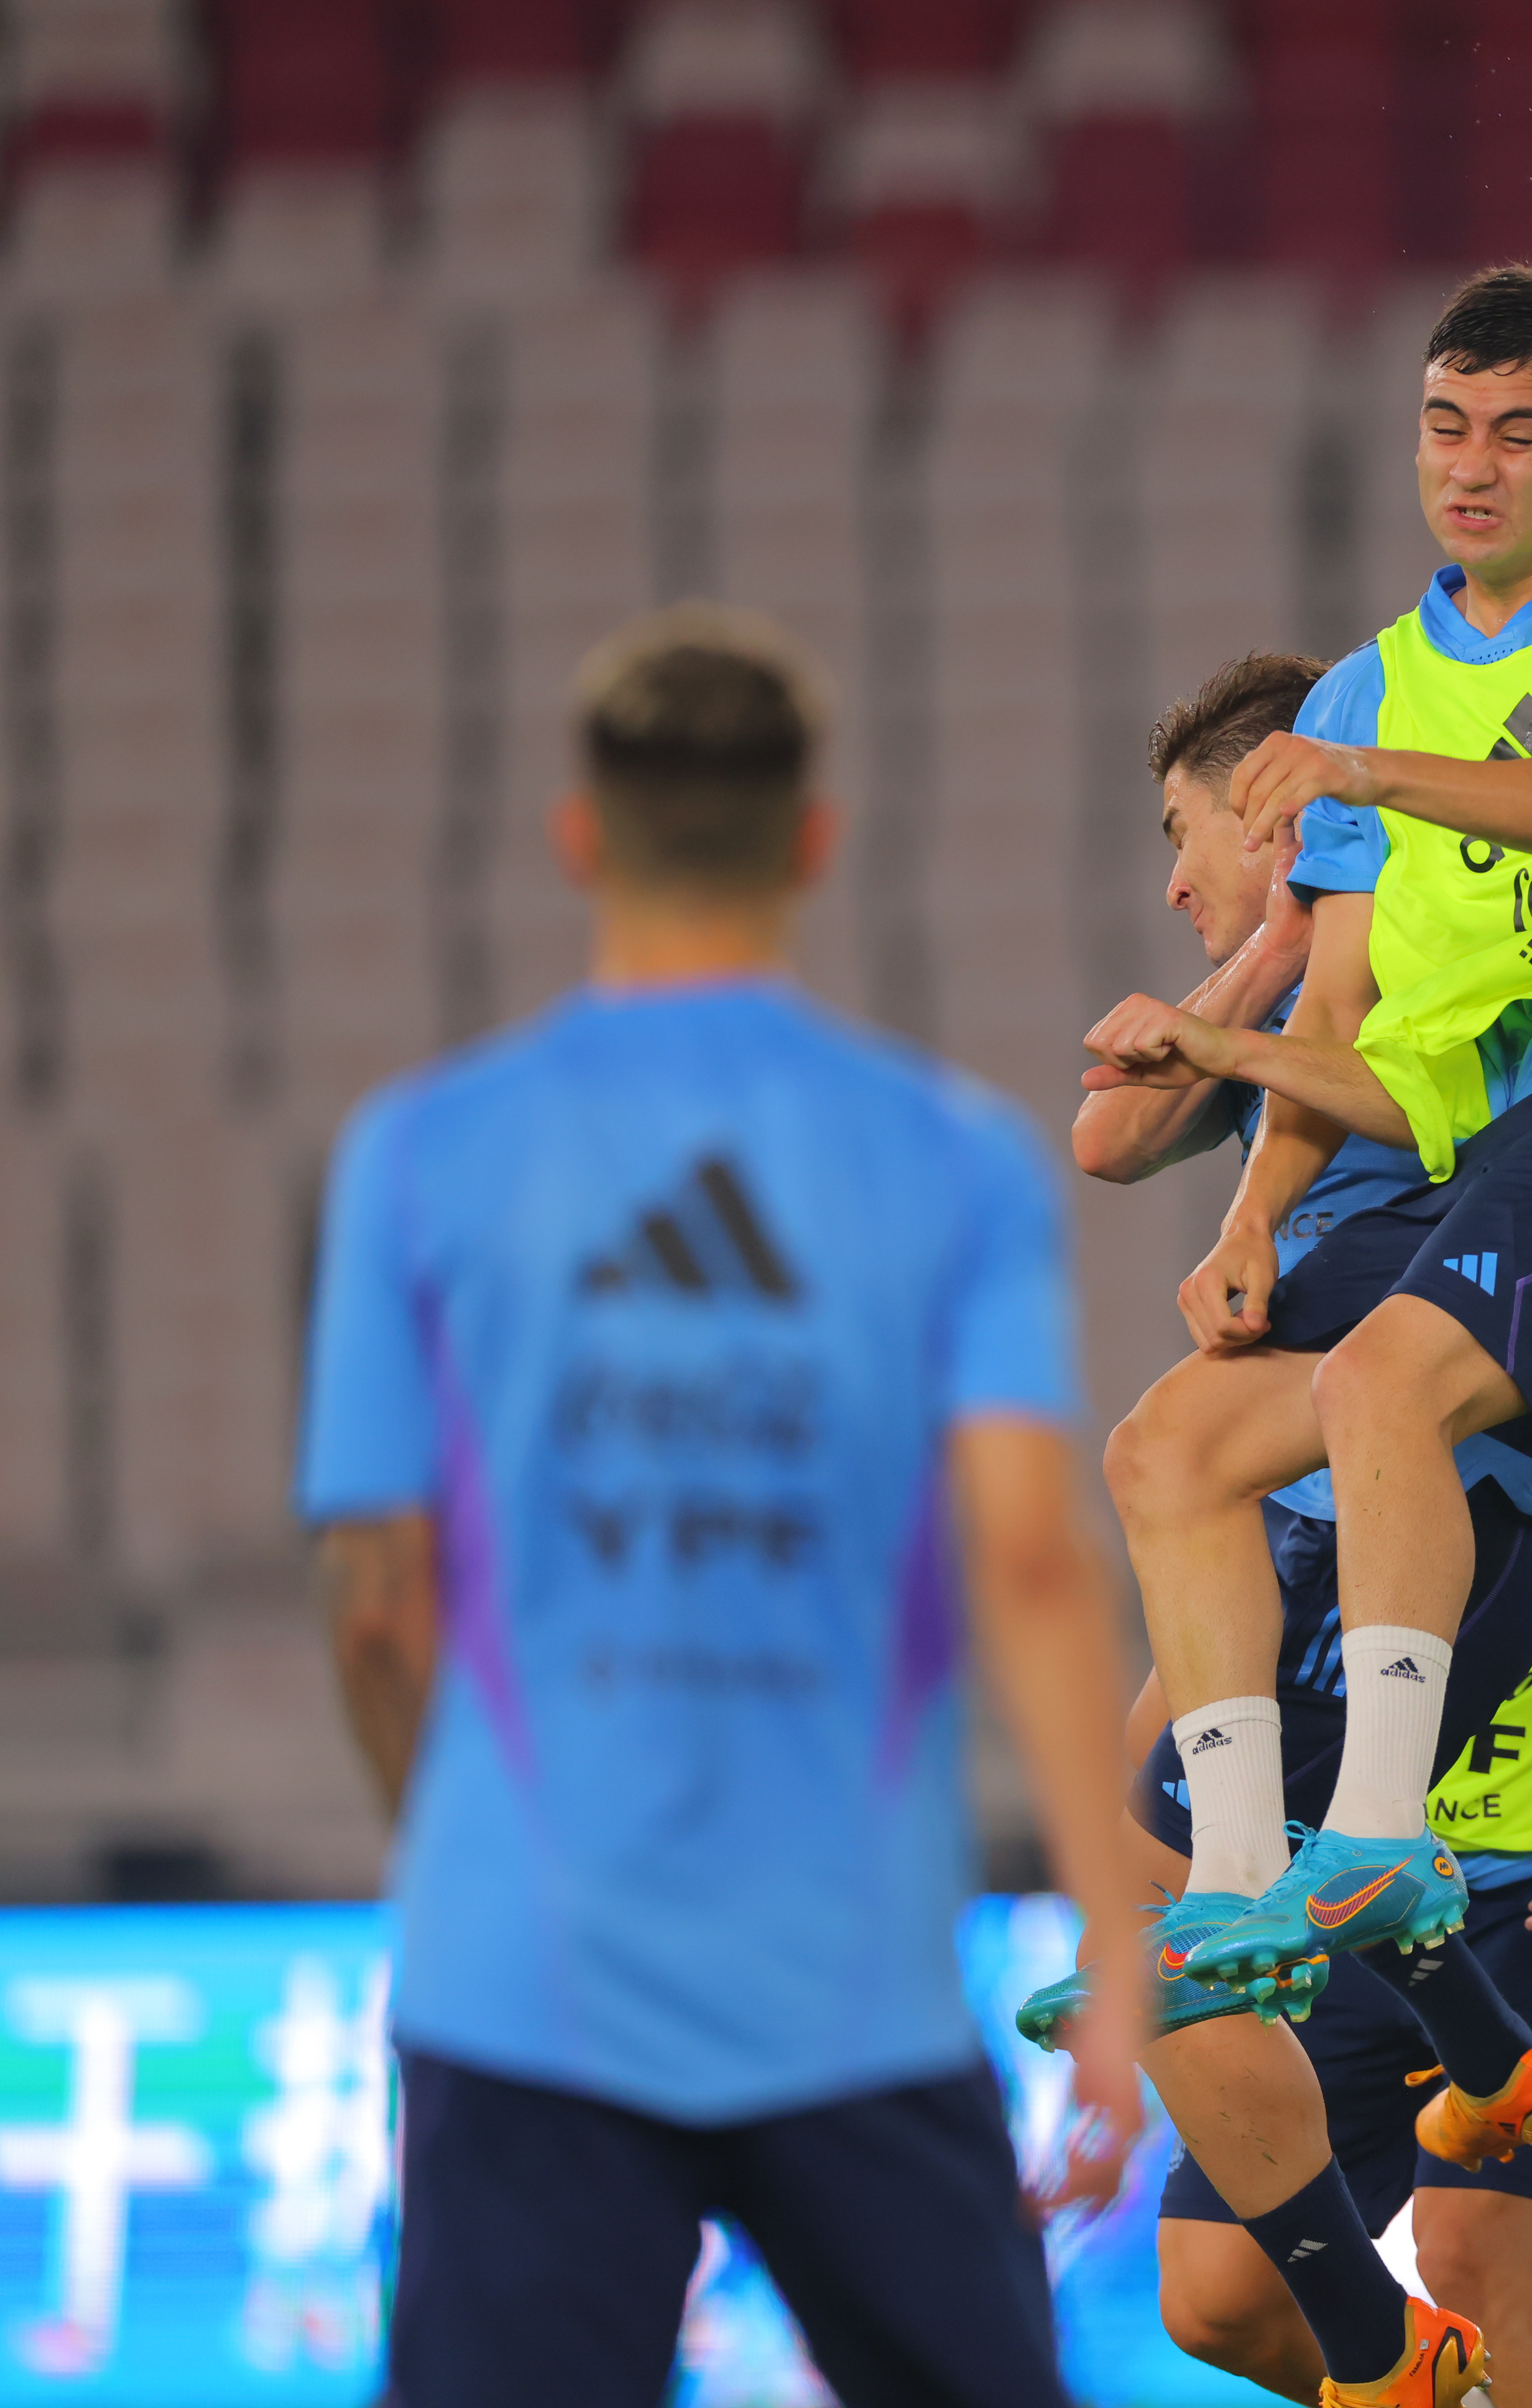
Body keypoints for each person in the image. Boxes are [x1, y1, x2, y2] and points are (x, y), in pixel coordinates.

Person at [302, 605, 1149, 2406]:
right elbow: (1028, 1558)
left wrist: (459, 1838)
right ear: (815, 844)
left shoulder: (422, 1150)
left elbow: (379, 1600)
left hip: (526, 1974)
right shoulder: (950, 1153)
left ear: (580, 836)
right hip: (851, 1984)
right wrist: (1118, 1960)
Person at [1033, 653, 1532, 2408]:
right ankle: (1437, 2165)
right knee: (1213, 2296)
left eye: (1182, 835)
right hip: (1332, 1620)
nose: (1165, 879)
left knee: (1475, 2257)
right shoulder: (1311, 994)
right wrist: (1271, 943)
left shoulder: (1514, 1043)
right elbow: (1105, 1128)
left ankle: (1407, 2316)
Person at [1072, 264, 1532, 2020]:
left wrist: (1382, 776)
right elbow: (1327, 1023)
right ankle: (1243, 1885)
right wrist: (1252, 1210)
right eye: (1444, 426)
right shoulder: (1357, 697)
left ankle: (1382, 1837)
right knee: (1168, 1447)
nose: (1473, 466)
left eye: (1521, 432)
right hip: (1530, 1133)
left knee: (1387, 1385)